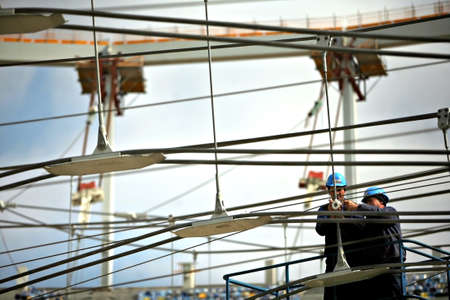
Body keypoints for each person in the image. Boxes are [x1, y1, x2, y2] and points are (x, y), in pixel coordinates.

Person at [344, 187, 405, 300]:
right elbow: (355, 229)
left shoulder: (390, 211)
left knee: (394, 296)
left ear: (381, 201)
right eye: (366, 202)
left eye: (370, 201)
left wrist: (357, 207)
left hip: (392, 266)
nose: (367, 204)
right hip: (374, 269)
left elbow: (379, 213)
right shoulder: (368, 223)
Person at [315, 172, 365, 300]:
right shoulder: (324, 210)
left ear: (344, 190)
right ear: (329, 192)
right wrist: (331, 217)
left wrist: (343, 218)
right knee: (332, 293)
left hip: (353, 258)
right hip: (332, 258)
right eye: (333, 191)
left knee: (352, 293)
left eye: (339, 190)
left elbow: (361, 228)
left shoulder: (352, 207)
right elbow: (320, 230)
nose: (336, 193)